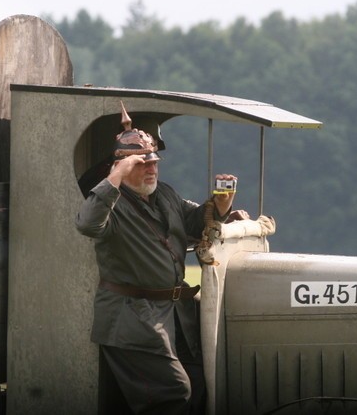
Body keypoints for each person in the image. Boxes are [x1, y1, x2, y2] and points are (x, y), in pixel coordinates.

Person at [75, 107, 241, 415]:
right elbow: (87, 224)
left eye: (153, 161)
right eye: (141, 163)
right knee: (173, 394)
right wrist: (116, 176)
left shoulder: (164, 194)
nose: (151, 168)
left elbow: (192, 222)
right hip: (134, 320)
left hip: (176, 314)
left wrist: (219, 205)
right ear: (122, 166)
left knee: (199, 388)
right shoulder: (110, 204)